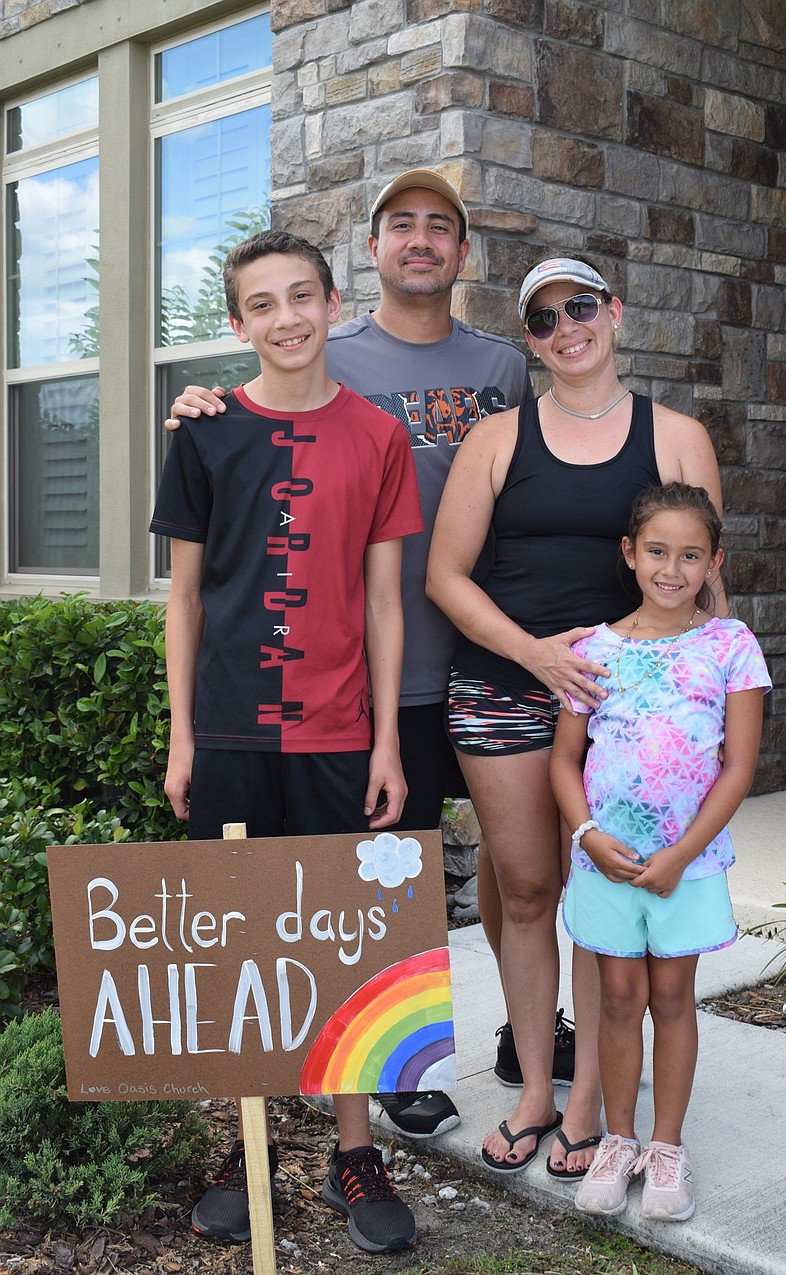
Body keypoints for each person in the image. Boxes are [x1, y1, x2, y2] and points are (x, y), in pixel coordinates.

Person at [164, 171, 578, 1139]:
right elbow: (255, 421)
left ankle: (527, 1032)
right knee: (381, 885)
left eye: (442, 228)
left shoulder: (500, 367)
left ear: (463, 254)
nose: (422, 241)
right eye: (402, 226)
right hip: (355, 683)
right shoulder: (327, 351)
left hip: (483, 661)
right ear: (372, 253)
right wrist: (198, 405)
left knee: (526, 875)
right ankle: (390, 1072)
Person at [150, 229, 424, 1253]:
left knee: (352, 942)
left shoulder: (379, 436)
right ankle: (246, 1140)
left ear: (331, 300)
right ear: (237, 325)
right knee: (241, 948)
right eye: (261, 305)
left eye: (300, 297)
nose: (285, 319)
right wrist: (183, 738)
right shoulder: (204, 432)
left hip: (340, 735)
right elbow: (182, 599)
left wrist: (388, 744)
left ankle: (355, 1149)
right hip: (226, 730)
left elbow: (386, 605)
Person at [426, 257, 727, 1178]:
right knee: (525, 888)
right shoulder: (495, 439)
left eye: (581, 307)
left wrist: (693, 723)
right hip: (505, 684)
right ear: (531, 339)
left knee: (606, 895)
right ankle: (533, 1091)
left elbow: (708, 586)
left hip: (624, 708)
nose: (567, 327)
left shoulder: (675, 434)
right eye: (544, 318)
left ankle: (590, 1099)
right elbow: (445, 575)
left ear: (614, 313)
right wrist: (537, 653)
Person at [550, 482, 770, 1220]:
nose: (672, 569)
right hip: (606, 856)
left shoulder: (730, 645)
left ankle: (666, 1148)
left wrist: (682, 853)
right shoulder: (595, 649)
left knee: (673, 996)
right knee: (617, 998)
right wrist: (586, 834)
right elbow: (563, 761)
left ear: (714, 560)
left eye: (690, 555)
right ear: (629, 552)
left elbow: (738, 766)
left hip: (688, 860)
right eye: (656, 551)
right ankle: (619, 1139)